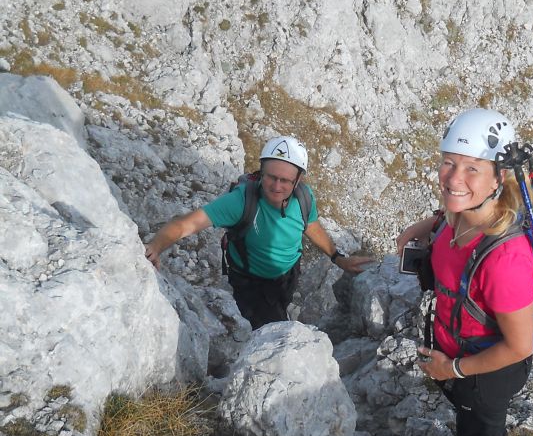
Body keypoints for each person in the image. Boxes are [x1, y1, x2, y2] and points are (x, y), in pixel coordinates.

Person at [397, 108, 533, 436]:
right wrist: (424, 226)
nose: (453, 179)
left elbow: (518, 347)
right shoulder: (460, 214)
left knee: (482, 420)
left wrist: (452, 370)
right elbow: (451, 208)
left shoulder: (505, 258)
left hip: (486, 367)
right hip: (456, 349)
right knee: (471, 415)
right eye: (448, 163)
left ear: (499, 178)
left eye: (472, 169)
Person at [145, 135, 372, 329]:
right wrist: (155, 246)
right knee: (269, 332)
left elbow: (310, 226)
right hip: (250, 283)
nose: (276, 186)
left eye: (285, 180)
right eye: (271, 177)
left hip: (288, 274)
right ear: (261, 172)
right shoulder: (240, 202)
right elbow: (185, 224)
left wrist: (338, 258)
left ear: (298, 180)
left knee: (280, 307)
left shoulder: (304, 197)